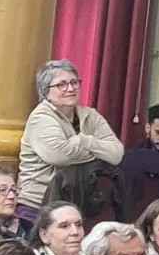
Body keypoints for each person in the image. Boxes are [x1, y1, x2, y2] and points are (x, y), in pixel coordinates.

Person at [17, 58, 125, 220]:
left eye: (74, 82)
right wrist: (99, 154)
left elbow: (116, 154)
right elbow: (60, 155)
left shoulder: (90, 115)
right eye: (62, 85)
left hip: (76, 203)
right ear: (46, 91)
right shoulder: (40, 117)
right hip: (37, 205)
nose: (70, 89)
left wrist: (85, 141)